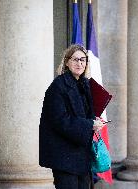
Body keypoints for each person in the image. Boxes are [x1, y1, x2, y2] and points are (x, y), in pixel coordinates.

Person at [39, 44, 105, 189]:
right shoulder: (58, 86)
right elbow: (59, 120)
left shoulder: (85, 84)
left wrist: (95, 121)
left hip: (82, 154)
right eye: (75, 59)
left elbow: (87, 113)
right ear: (67, 62)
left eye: (83, 60)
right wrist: (89, 125)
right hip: (64, 155)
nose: (79, 63)